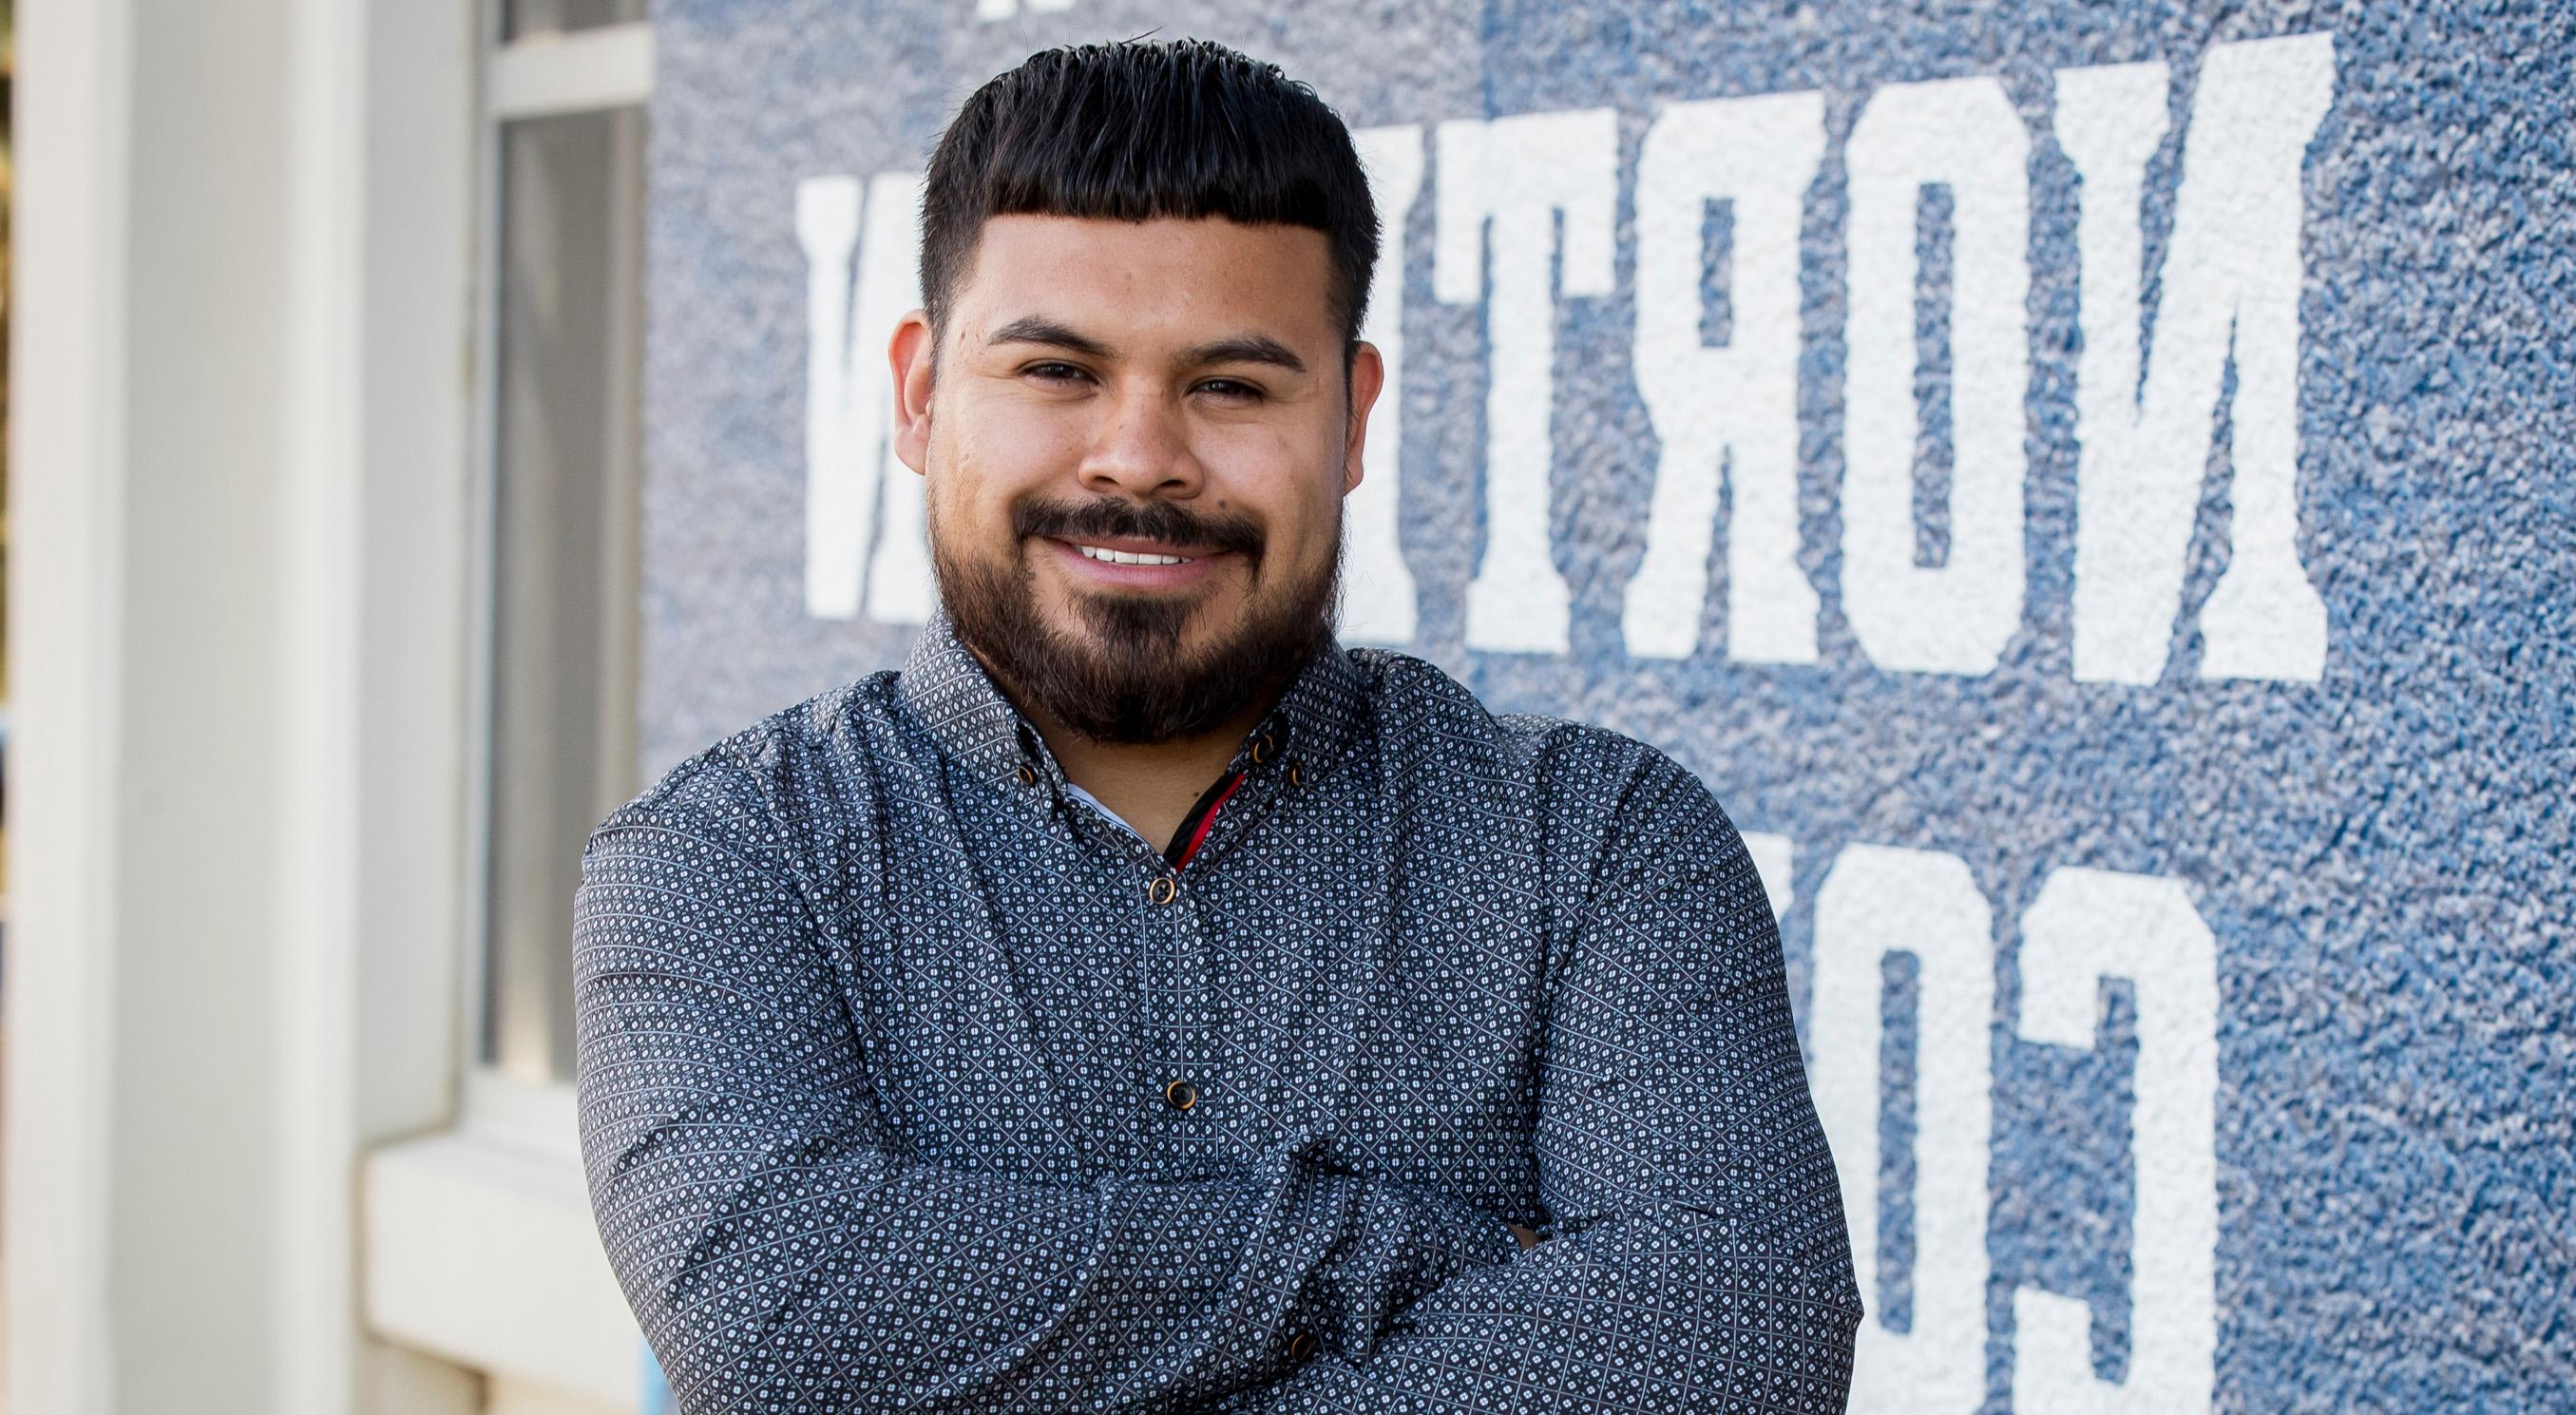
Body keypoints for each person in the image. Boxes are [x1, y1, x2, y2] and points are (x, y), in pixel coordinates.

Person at [574, 37, 1860, 1413]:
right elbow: (775, 1315)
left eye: (1232, 386)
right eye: (1058, 371)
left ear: (1353, 421)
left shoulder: (1597, 850)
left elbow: (1744, 1340)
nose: (1140, 455)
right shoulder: (722, 863)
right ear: (921, 393)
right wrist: (1382, 1248)